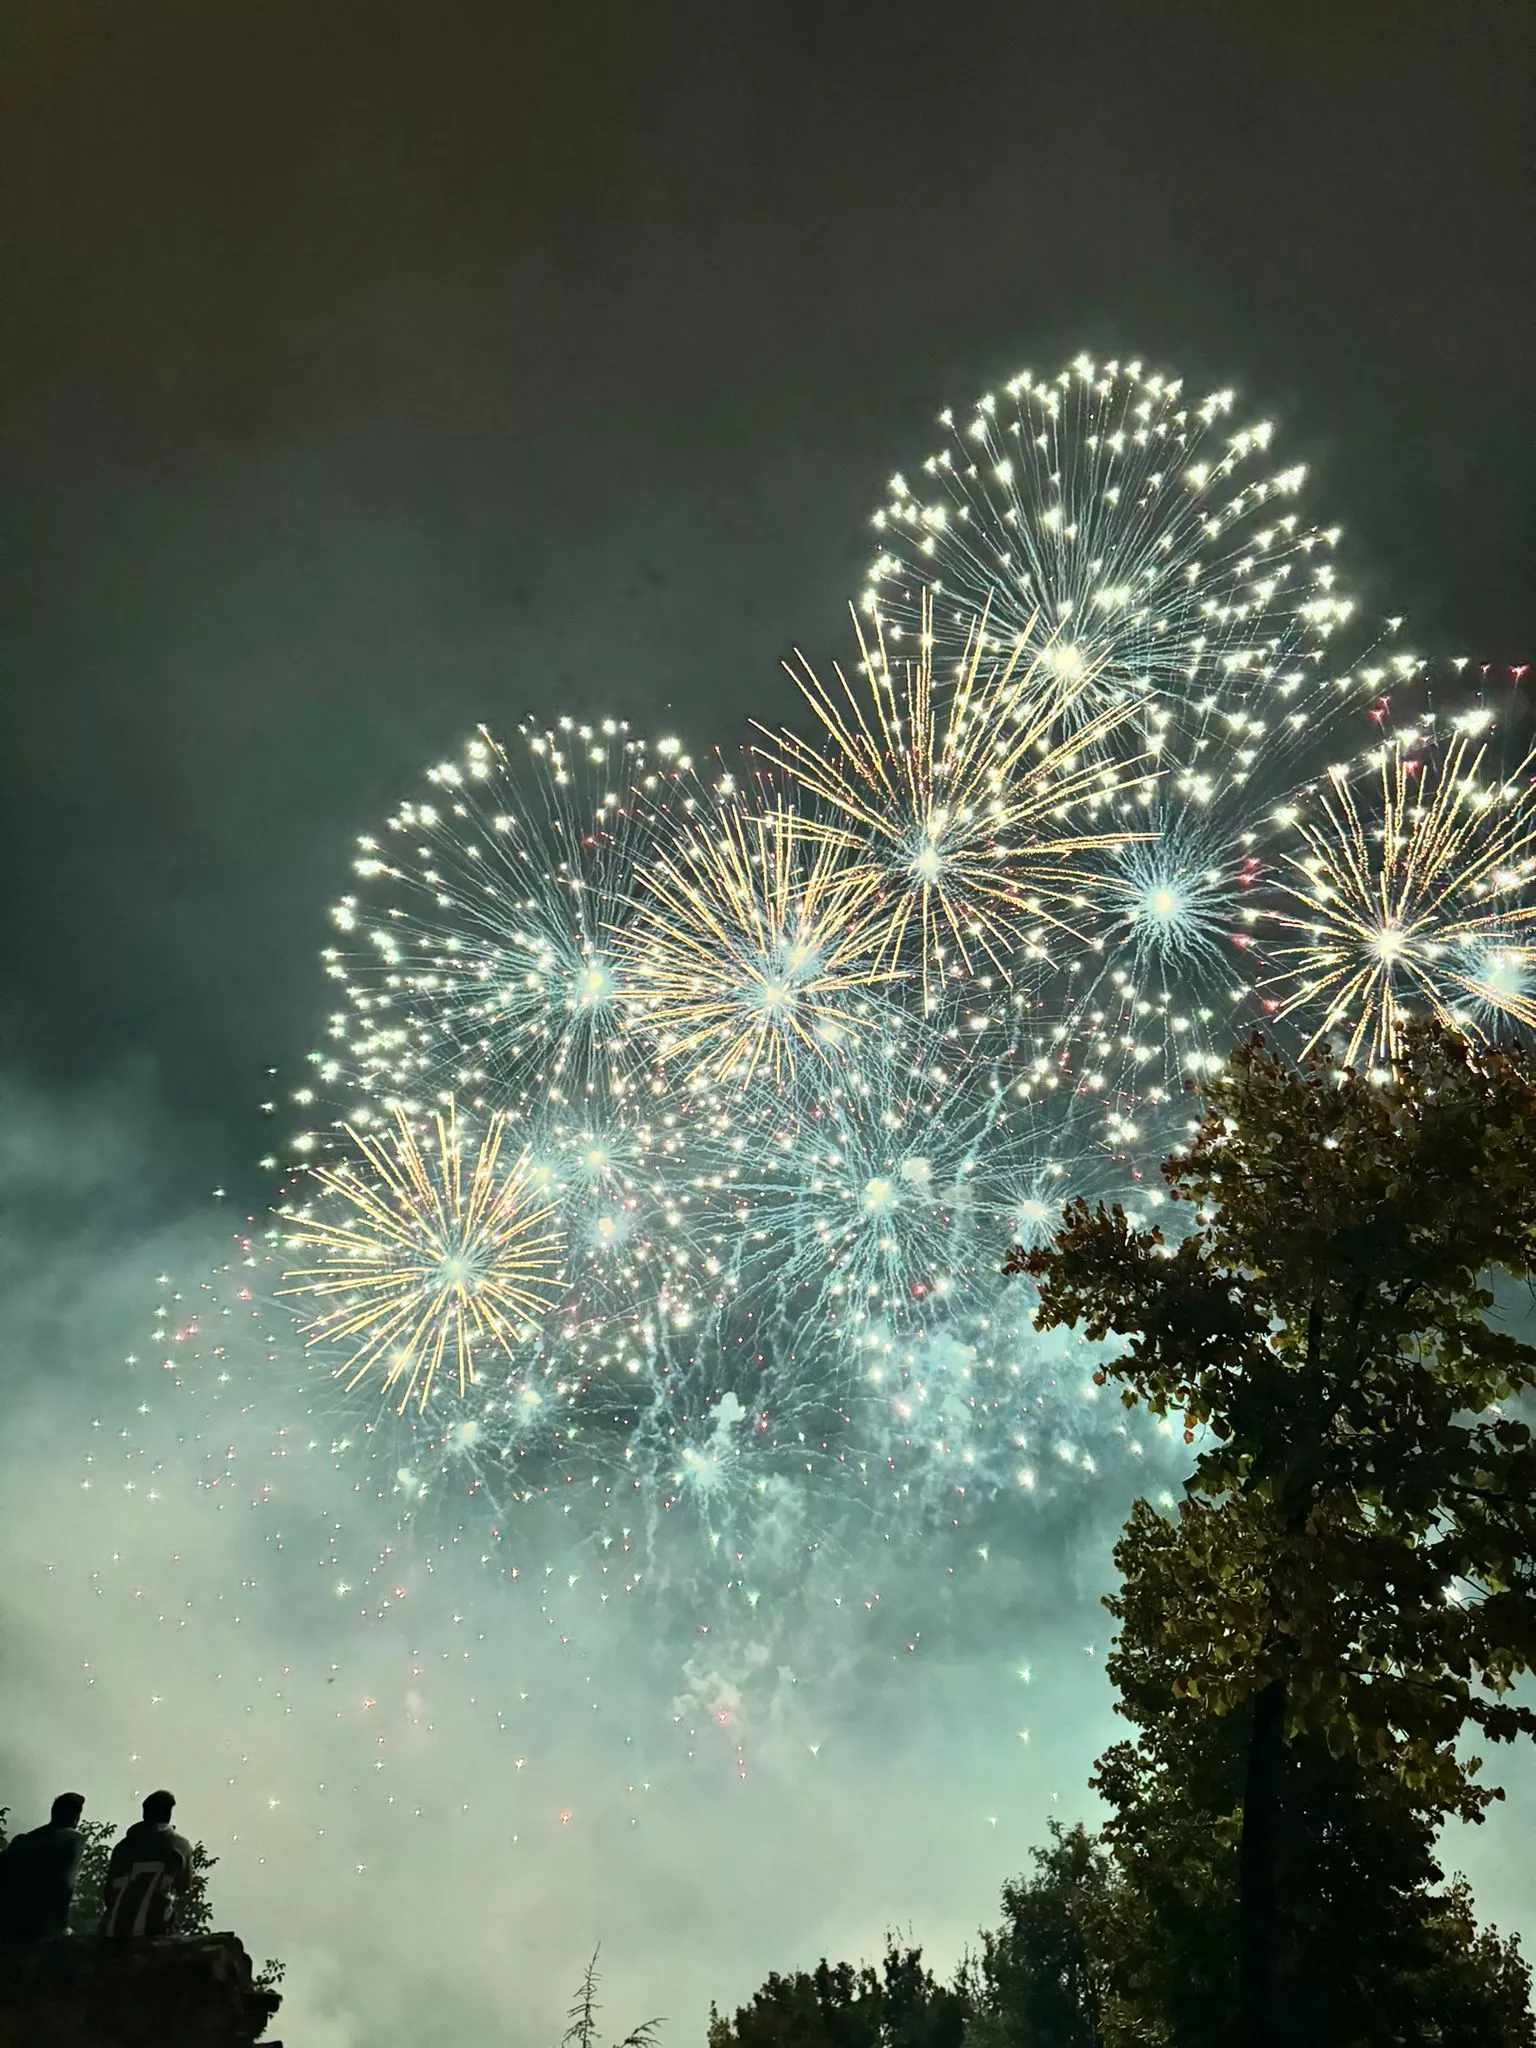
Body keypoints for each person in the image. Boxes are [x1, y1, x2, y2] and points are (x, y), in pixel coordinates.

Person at [101, 1789, 192, 1939]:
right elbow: (183, 1886)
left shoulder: (123, 1847)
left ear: (144, 1815)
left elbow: (108, 1892)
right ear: (169, 1815)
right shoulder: (180, 1846)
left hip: (113, 1929)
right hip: (156, 1928)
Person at [0, 1792, 87, 1941]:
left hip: (10, 1925)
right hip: (43, 1928)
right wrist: (62, 1926)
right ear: (75, 1818)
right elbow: (64, 1884)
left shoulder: (23, 1840)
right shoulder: (72, 1840)